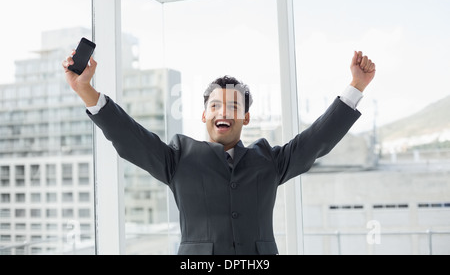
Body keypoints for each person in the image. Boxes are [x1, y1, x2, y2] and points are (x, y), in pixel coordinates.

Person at [62, 50, 375, 255]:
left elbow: (316, 139)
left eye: (233, 106)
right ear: (203, 115)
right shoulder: (178, 157)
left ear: (245, 117)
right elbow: (130, 138)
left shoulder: (269, 160)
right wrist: (86, 91)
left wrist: (356, 86)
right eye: (214, 105)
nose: (222, 111)